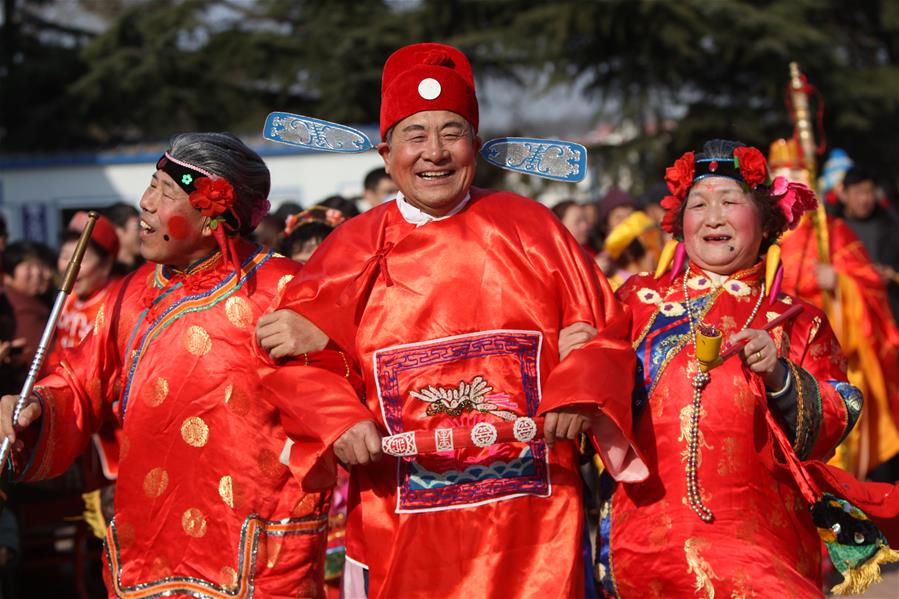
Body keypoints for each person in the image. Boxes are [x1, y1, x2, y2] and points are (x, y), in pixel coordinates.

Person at [256, 42, 646, 598]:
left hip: (533, 524)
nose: (434, 153)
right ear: (387, 154)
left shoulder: (532, 229)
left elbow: (605, 331)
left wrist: (578, 387)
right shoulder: (351, 249)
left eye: (451, 133)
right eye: (416, 136)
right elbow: (299, 367)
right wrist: (341, 421)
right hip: (403, 518)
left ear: (476, 146)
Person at [0, 132, 366, 597]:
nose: (145, 204)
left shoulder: (283, 289)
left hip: (257, 549)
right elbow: (77, 381)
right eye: (150, 185)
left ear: (213, 214)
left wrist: (328, 348)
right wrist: (34, 406)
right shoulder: (127, 297)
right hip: (150, 544)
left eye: (165, 192)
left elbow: (354, 377)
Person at [581, 140, 861, 597]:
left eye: (730, 202)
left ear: (766, 220)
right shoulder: (636, 303)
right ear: (680, 221)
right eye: (699, 204)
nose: (714, 216)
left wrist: (780, 377)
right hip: (647, 541)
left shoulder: (798, 320)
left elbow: (839, 413)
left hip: (763, 543)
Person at [770, 140, 899, 478]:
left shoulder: (832, 232)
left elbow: (868, 282)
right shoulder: (763, 238)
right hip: (777, 351)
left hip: (832, 345)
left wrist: (840, 282)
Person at [835, 166, 899, 323]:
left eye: (869, 192)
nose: (864, 199)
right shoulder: (833, 228)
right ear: (843, 194)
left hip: (887, 312)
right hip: (849, 316)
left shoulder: (891, 224)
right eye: (858, 192)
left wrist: (892, 274)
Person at [601, 210, 663, 290]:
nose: (655, 255)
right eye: (649, 249)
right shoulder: (616, 288)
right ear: (630, 254)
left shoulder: (655, 279)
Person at [104, 202, 144, 275]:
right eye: (138, 227)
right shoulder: (104, 275)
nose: (143, 233)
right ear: (117, 231)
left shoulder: (149, 271)